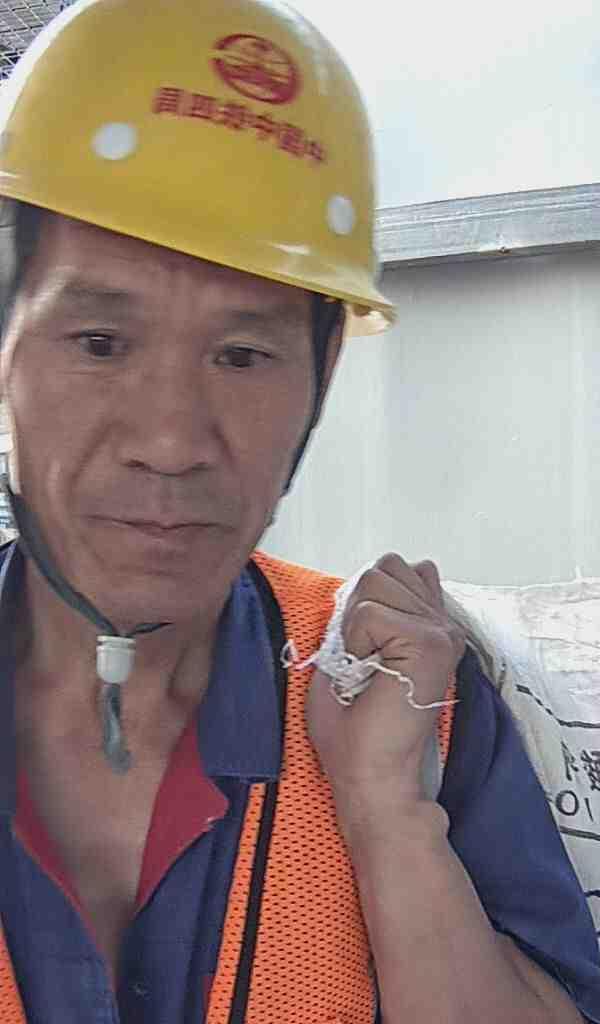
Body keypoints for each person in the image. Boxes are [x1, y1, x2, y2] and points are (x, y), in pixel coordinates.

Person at [0, 2, 598, 1022]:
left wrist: (389, 813)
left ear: (320, 383)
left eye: (243, 355)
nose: (173, 440)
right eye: (100, 341)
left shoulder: (412, 693)